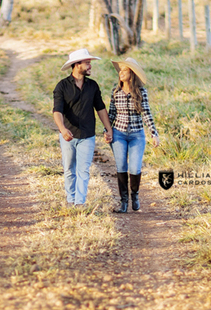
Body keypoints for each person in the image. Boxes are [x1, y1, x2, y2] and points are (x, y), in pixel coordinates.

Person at [53, 48, 113, 207]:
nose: (90, 66)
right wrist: (62, 129)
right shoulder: (62, 86)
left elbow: (100, 108)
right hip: (68, 135)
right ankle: (70, 199)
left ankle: (80, 203)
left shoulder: (92, 86)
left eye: (90, 63)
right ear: (76, 65)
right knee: (69, 169)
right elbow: (57, 111)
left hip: (87, 134)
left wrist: (108, 129)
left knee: (84, 170)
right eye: (87, 63)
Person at [108, 58, 159, 213]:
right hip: (119, 133)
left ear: (132, 74)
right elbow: (111, 114)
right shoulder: (115, 92)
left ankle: (134, 195)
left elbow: (146, 113)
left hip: (137, 134)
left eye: (125, 70)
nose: (121, 73)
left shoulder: (141, 92)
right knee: (121, 167)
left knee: (135, 168)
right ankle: (123, 202)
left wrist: (154, 133)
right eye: (120, 70)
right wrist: (106, 131)